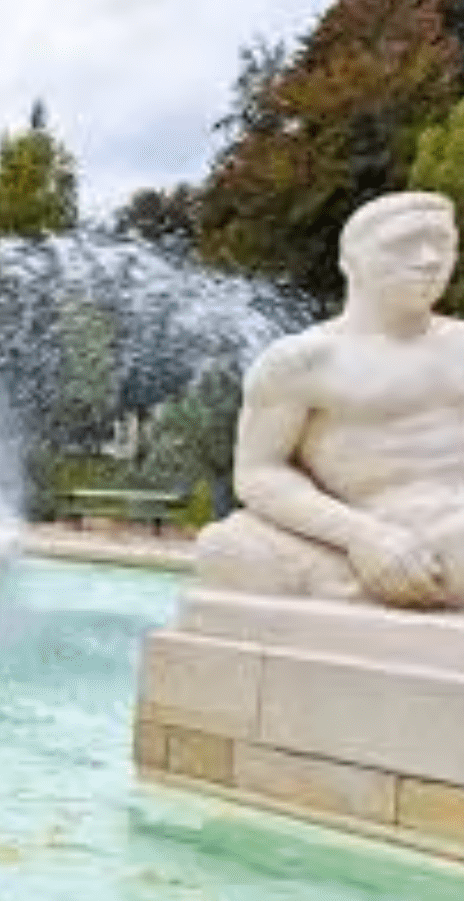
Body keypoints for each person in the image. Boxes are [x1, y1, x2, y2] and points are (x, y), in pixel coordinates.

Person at [196, 191, 464, 610]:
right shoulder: (303, 361)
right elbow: (258, 473)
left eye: (444, 243)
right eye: (403, 244)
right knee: (227, 549)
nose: (430, 258)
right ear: (350, 262)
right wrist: (363, 536)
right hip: (390, 524)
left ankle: (319, 576)